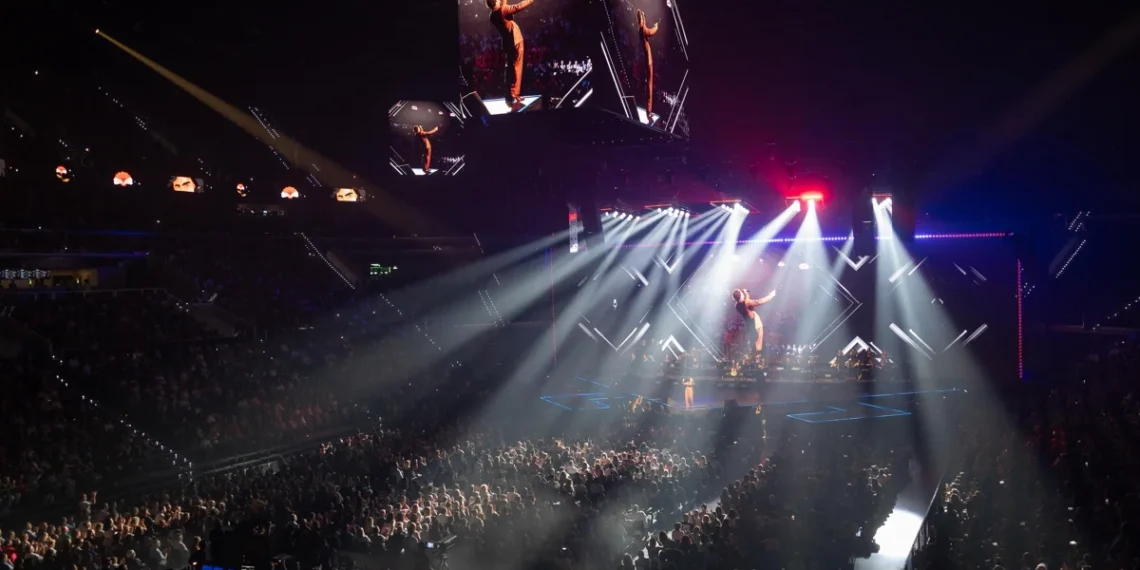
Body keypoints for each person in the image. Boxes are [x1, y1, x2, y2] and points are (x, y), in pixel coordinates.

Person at [487, 0, 534, 105]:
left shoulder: (492, 15)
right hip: (515, 42)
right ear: (495, 3)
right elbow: (518, 6)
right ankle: (514, 94)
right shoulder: (503, 10)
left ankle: (511, 94)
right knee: (516, 68)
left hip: (508, 43)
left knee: (510, 69)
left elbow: (503, 4)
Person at [732, 288, 776, 353]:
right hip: (756, 324)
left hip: (749, 326)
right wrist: (771, 295)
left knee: (753, 345)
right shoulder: (747, 303)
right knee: (758, 345)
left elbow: (746, 300)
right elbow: (759, 301)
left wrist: (745, 293)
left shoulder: (737, 306)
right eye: (742, 293)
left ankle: (752, 360)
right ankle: (758, 361)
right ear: (741, 296)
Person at [637, 9, 659, 121]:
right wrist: (656, 26)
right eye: (643, 18)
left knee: (649, 85)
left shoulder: (641, 29)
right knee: (649, 86)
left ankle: (649, 112)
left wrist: (643, 15)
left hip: (647, 61)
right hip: (648, 61)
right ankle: (649, 113)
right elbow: (651, 32)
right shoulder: (642, 29)